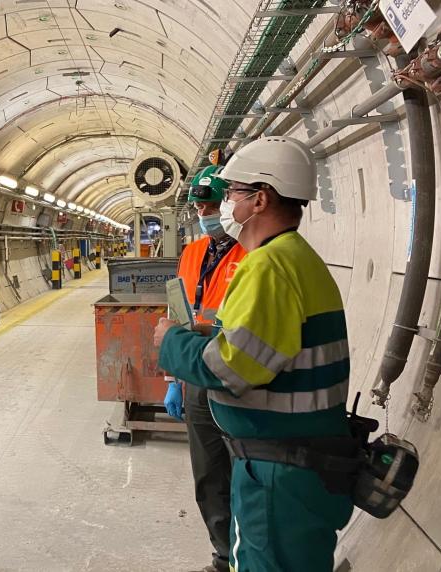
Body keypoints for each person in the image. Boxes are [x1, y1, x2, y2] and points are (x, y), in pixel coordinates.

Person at [154, 137, 353, 572]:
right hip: (305, 459)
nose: (225, 204)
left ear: (260, 199)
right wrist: (211, 332)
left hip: (279, 468)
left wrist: (171, 342)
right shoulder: (298, 258)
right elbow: (268, 346)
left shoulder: (266, 265)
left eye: (232, 193)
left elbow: (233, 369)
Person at [165, 165, 246, 572]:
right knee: (208, 473)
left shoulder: (253, 252)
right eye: (200, 206)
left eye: (213, 204)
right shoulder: (193, 252)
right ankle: (222, 553)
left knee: (244, 470)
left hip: (236, 376)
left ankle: (247, 552)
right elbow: (177, 311)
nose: (205, 213)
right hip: (195, 373)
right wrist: (173, 378)